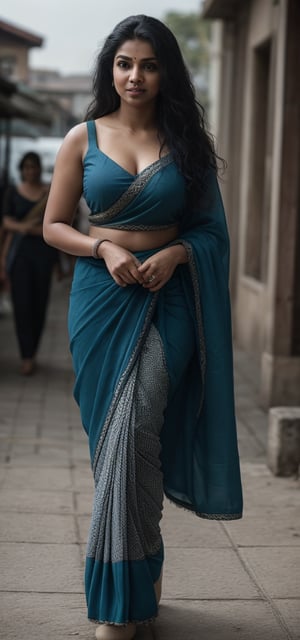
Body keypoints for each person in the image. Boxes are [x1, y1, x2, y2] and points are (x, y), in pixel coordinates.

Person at [43, 15, 243, 640]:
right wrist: (103, 249)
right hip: (101, 301)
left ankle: (118, 610)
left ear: (166, 73)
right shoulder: (82, 137)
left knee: (136, 432)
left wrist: (178, 254)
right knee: (118, 446)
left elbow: (211, 232)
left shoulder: (184, 143)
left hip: (170, 302)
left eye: (150, 65)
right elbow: (54, 225)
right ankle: (143, 574)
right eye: (125, 63)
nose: (136, 76)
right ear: (111, 68)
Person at [1, 151, 57, 375]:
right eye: (26, 167)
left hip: (44, 254)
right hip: (20, 255)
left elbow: (62, 220)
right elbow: (5, 221)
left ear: (39, 169)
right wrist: (22, 228)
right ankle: (26, 356)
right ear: (21, 170)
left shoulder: (48, 193)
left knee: (40, 304)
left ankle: (32, 351)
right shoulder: (13, 192)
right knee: (22, 305)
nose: (30, 171)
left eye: (34, 167)